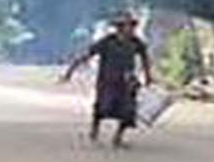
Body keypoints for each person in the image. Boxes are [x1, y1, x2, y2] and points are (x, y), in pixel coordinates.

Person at [61, 10, 154, 148]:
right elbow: (86, 55)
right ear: (120, 27)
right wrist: (70, 72)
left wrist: (148, 76)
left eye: (132, 26)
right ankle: (94, 130)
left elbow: (145, 59)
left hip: (127, 81)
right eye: (126, 26)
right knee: (102, 107)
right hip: (107, 80)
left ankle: (118, 137)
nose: (130, 29)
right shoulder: (107, 42)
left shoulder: (136, 42)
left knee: (128, 110)